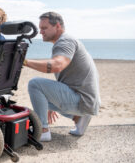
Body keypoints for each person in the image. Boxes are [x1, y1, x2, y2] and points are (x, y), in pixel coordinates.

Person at [24, 12, 101, 142]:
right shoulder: (67, 40)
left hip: (82, 100)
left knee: (34, 84)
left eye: (44, 28)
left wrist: (24, 61)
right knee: (41, 96)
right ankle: (79, 119)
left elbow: (57, 65)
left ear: (57, 26)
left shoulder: (64, 41)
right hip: (88, 101)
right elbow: (65, 76)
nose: (40, 32)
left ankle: (43, 131)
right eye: (40, 28)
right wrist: (50, 102)